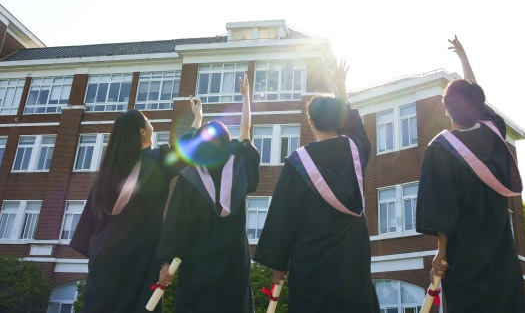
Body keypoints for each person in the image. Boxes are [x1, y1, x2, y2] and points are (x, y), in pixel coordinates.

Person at [254, 60, 380, 313]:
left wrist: (279, 263)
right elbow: (354, 126)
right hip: (352, 264)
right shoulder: (356, 150)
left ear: (310, 122)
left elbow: (283, 215)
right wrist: (341, 86)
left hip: (313, 267)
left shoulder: (299, 163)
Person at [415, 36, 525, 313]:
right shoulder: (493, 135)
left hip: (465, 255)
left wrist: (441, 252)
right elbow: (477, 99)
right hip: (500, 250)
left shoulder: (442, 149)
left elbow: (443, 208)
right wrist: (464, 59)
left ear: (446, 109)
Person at [70, 108, 193, 312]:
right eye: (147, 120)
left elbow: (89, 222)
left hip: (104, 263)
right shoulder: (156, 160)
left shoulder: (108, 172)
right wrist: (196, 123)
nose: (150, 122)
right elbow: (184, 154)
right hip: (137, 260)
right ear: (142, 131)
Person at [155, 77, 260, 313]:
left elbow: (176, 223)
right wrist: (245, 98)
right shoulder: (240, 166)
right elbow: (245, 132)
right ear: (227, 143)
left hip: (197, 265)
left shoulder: (190, 177)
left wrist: (166, 260)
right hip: (233, 265)